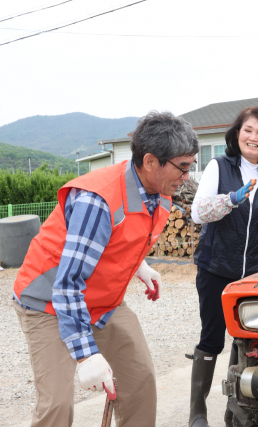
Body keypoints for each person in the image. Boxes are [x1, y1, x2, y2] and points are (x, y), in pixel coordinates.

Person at [13, 111, 199, 426]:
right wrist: (86, 355)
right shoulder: (96, 201)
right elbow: (68, 284)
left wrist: (140, 267)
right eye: (182, 166)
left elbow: (121, 235)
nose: (186, 175)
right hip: (49, 302)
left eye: (190, 166)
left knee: (140, 382)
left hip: (103, 303)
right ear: (150, 161)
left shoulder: (161, 192)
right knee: (57, 407)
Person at [189, 106, 258, 427]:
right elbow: (197, 213)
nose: (254, 137)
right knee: (212, 338)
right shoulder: (219, 167)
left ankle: (238, 406)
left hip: (253, 274)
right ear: (236, 134)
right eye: (248, 130)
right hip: (216, 268)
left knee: (249, 340)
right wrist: (231, 199)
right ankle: (197, 412)